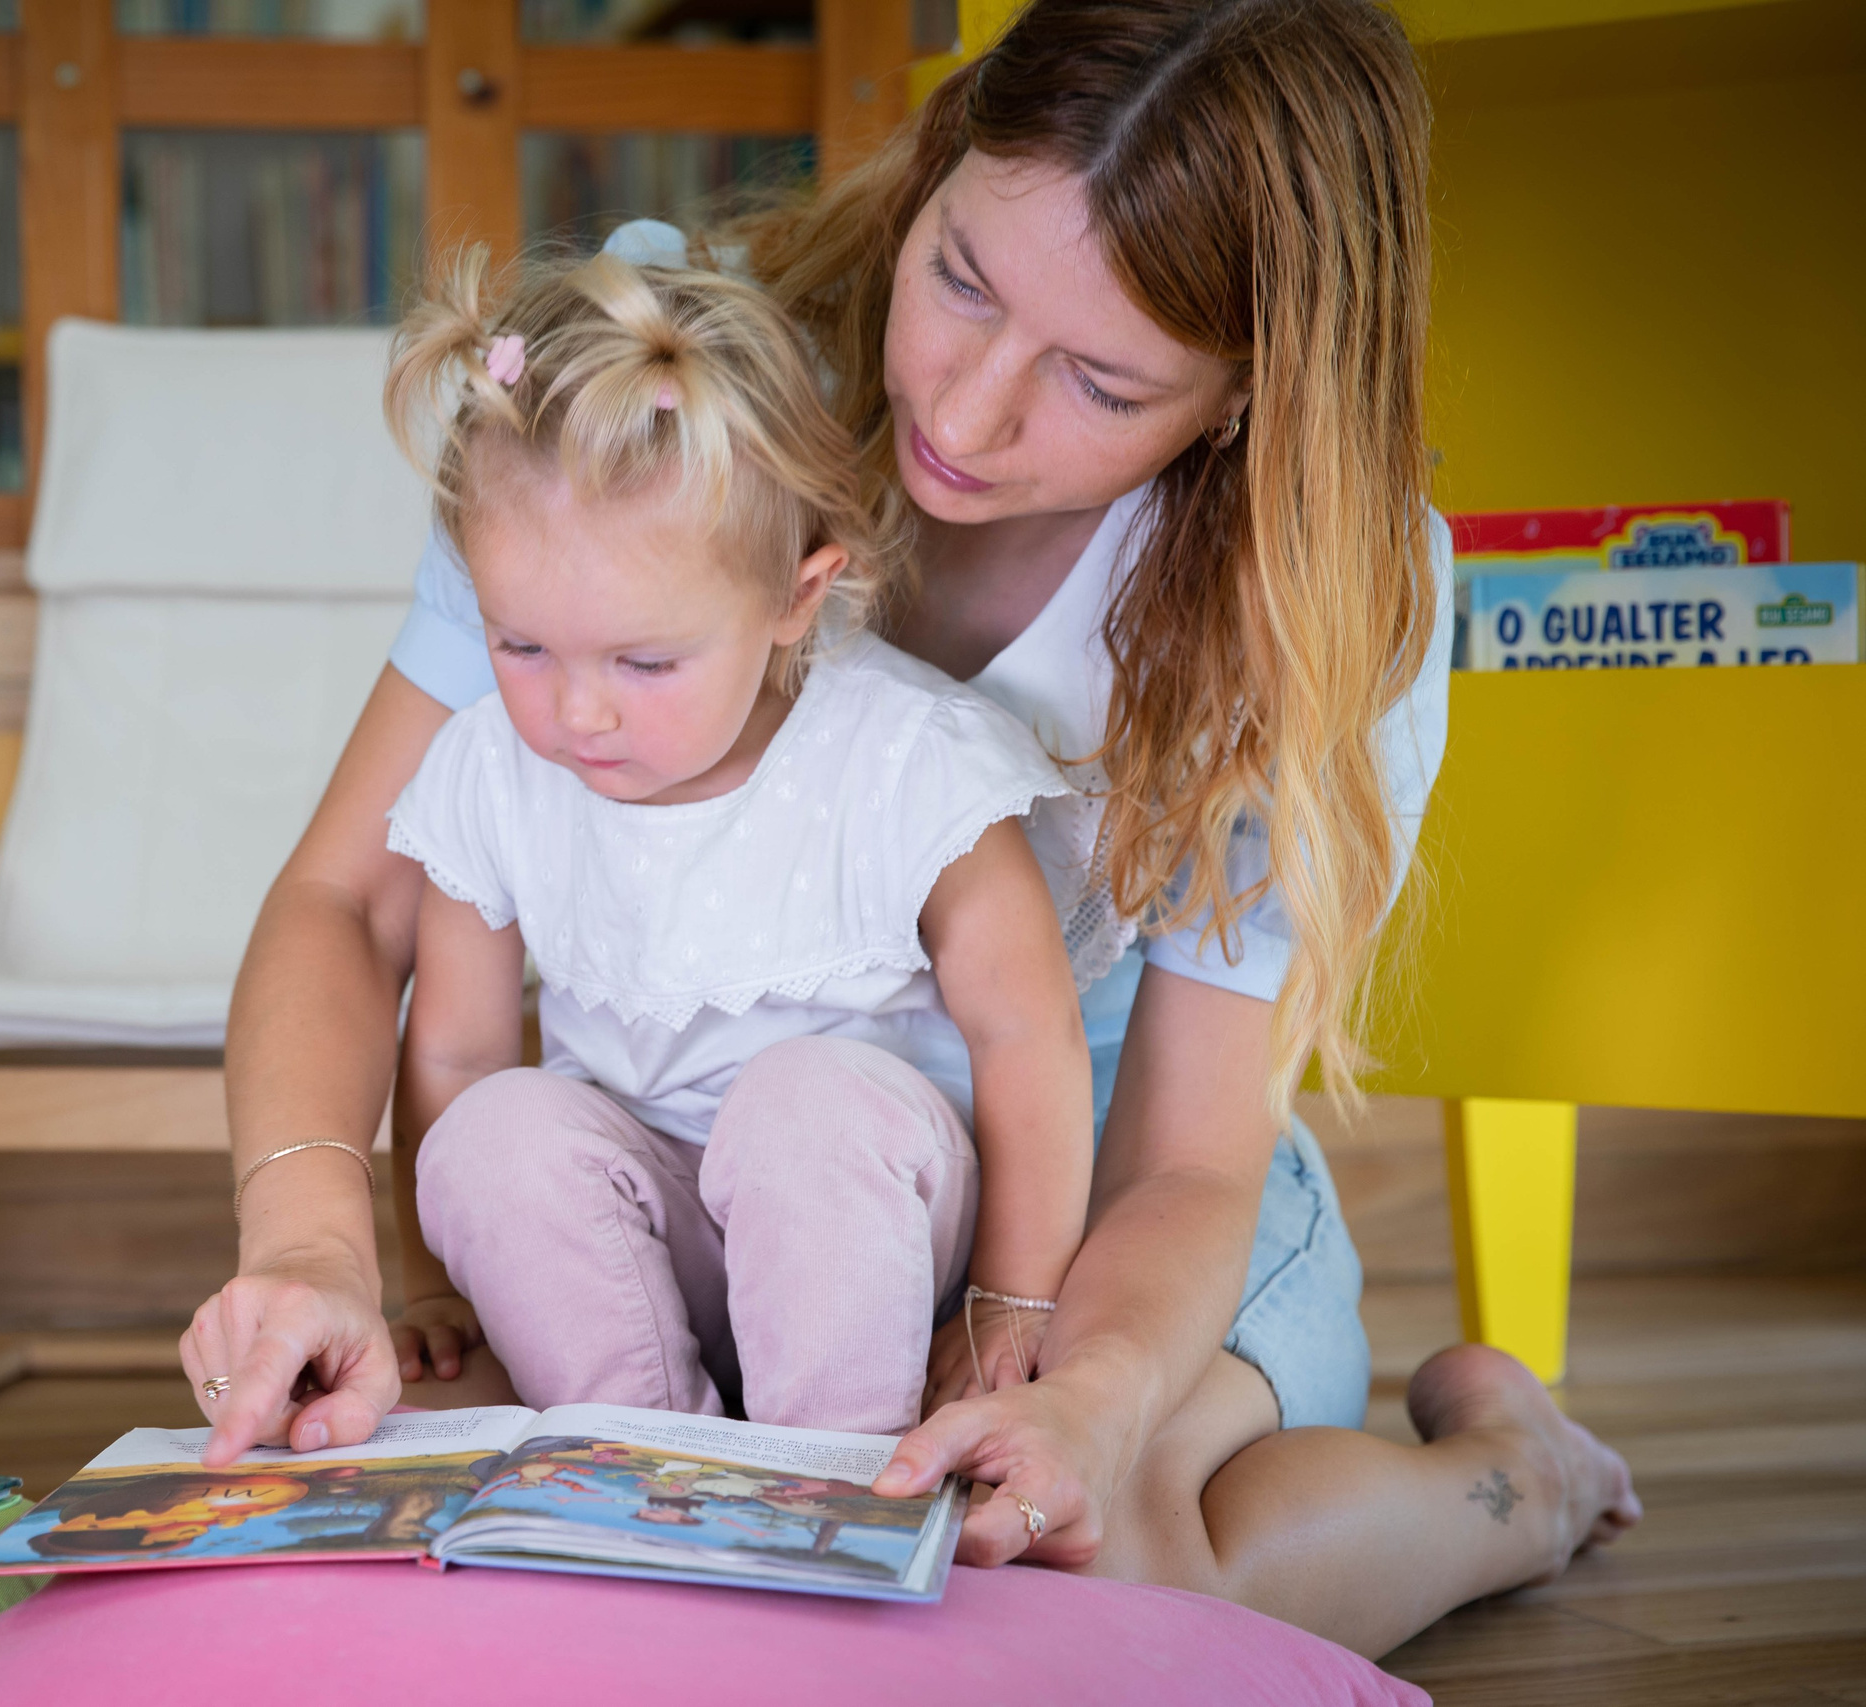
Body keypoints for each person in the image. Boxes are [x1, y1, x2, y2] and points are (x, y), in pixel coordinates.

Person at [181, 0, 1638, 1656]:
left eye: (1098, 377)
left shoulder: (1318, 597)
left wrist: (1083, 1388)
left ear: (1246, 397)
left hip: (1087, 1204)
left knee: (1094, 1568)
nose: (971, 408)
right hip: (717, 1184)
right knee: (550, 1500)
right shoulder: (656, 403)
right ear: (939, 161)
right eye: (961, 279)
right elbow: (348, 897)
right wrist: (312, 1248)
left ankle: (1514, 1476)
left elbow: (1185, 1150)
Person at [378, 249, 1095, 1436]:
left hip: (871, 1234)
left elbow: (1028, 1033)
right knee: (494, 1132)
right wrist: (425, 1280)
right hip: (637, 1246)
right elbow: (450, 1059)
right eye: (521, 648)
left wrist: (1011, 1300)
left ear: (795, 600)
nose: (579, 712)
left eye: (645, 662)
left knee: (798, 1103)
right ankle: (638, 1454)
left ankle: (833, 1476)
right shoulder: (492, 772)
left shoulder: (907, 758)